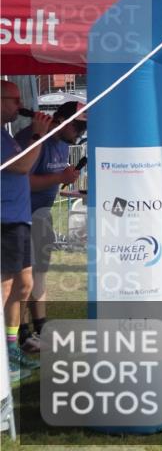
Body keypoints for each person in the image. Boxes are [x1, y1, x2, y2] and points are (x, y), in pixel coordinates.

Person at [16, 101, 84, 351]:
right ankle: (21, 333)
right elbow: (22, 179)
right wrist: (59, 177)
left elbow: (52, 179)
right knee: (22, 278)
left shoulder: (62, 145)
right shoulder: (34, 139)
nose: (80, 134)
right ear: (62, 120)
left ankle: (40, 327)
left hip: (42, 214)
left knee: (39, 273)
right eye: (78, 127)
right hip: (22, 215)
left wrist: (64, 180)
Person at [1, 80, 52, 379]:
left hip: (18, 219)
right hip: (4, 218)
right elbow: (21, 167)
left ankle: (11, 346)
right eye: (12, 99)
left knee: (24, 284)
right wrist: (37, 134)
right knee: (6, 286)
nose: (18, 104)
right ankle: (3, 354)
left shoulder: (7, 136)